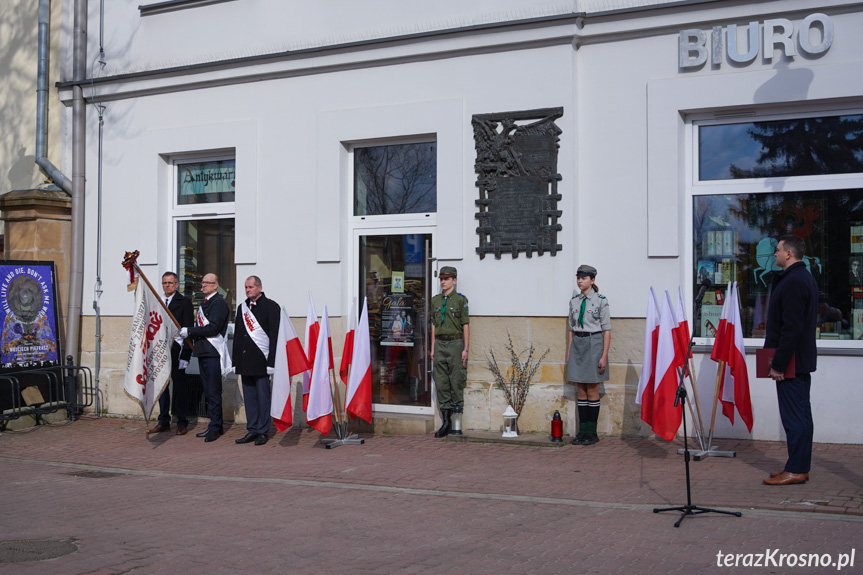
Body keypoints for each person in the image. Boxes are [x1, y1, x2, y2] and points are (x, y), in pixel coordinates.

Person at [763, 235, 818, 486]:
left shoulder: (795, 280)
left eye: (777, 250)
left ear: (788, 254)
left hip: (791, 363)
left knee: (795, 418)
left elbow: (791, 329)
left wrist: (778, 364)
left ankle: (796, 469)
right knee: (800, 416)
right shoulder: (798, 277)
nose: (774, 254)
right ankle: (796, 466)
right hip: (796, 361)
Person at [179, 273, 230, 443]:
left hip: (212, 352)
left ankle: (215, 428)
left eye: (208, 283)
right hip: (203, 351)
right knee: (208, 392)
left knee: (213, 391)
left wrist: (190, 331)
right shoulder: (204, 303)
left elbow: (213, 328)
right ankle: (215, 424)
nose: (204, 285)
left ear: (216, 285)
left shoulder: (219, 304)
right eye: (203, 283)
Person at [232, 275, 280, 446]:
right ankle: (252, 429)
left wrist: (272, 363)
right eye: (245, 287)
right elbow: (238, 335)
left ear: (259, 287)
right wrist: (235, 360)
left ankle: (262, 431)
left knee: (263, 398)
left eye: (250, 287)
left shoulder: (271, 307)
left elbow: (274, 337)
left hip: (261, 361)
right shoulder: (242, 308)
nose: (247, 290)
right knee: (250, 398)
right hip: (245, 361)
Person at [566, 265, 611, 446]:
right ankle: (582, 431)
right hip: (578, 343)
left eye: (584, 278)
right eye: (578, 278)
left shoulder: (601, 300)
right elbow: (571, 329)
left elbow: (607, 330)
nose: (580, 281)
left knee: (592, 389)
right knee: (581, 390)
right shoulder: (574, 301)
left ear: (592, 280)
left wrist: (604, 356)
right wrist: (569, 353)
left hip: (594, 343)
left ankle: (592, 432)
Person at [150, 272, 194, 435]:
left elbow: (188, 331)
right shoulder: (158, 302)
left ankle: (182, 422)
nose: (167, 285)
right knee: (162, 387)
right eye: (164, 283)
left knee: (180, 387)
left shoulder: (185, 303)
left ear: (177, 285)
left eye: (170, 283)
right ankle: (163, 421)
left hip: (177, 350)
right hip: (161, 350)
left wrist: (186, 356)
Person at [430, 266, 469, 438]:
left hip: (455, 344)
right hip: (440, 343)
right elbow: (433, 325)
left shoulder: (460, 300)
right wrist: (433, 346)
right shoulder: (435, 300)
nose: (443, 282)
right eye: (441, 279)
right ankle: (445, 421)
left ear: (455, 280)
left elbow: (465, 325)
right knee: (441, 381)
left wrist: (465, 348)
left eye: (447, 279)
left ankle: (455, 421)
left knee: (456, 379)